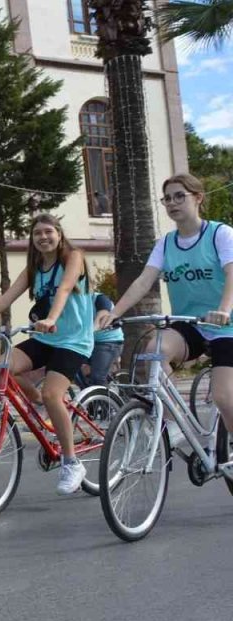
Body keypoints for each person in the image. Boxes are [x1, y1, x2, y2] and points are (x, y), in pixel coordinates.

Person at [100, 173, 233, 453]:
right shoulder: (166, 243)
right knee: (154, 350)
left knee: (224, 397)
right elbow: (143, 281)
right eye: (167, 198)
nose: (172, 203)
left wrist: (223, 310)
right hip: (190, 325)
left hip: (227, 325)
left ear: (198, 198)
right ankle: (176, 421)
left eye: (179, 196)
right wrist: (114, 313)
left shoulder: (220, 233)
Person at [0, 214, 95, 495]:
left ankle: (71, 462)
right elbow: (6, 297)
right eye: (38, 234)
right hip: (46, 338)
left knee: (53, 393)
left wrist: (51, 318)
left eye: (49, 232)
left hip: (73, 340)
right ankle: (38, 404)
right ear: (32, 239)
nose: (43, 237)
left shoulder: (73, 257)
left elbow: (64, 289)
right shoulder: (34, 268)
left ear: (59, 234)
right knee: (3, 366)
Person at [85, 293, 124, 386]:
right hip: (89, 341)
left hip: (108, 342)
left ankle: (106, 400)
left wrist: (90, 330)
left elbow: (102, 317)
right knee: (80, 374)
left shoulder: (99, 298)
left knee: (97, 378)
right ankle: (91, 398)